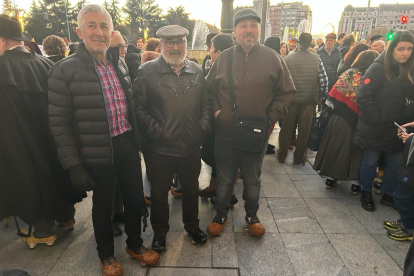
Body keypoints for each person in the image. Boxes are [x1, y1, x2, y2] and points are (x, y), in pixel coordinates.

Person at [48, 5, 160, 275]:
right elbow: (59, 124)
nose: (99, 32)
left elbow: (129, 105)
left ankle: (135, 244)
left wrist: (140, 139)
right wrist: (73, 166)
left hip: (126, 145)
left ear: (111, 32)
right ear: (79, 31)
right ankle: (106, 255)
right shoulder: (64, 71)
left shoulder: (117, 62)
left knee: (134, 199)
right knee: (103, 207)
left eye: (104, 26)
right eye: (91, 25)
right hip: (95, 151)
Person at [206, 8, 296, 237]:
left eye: (253, 25)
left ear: (259, 30)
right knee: (225, 178)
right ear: (234, 31)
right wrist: (218, 111)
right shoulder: (224, 57)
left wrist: (270, 118)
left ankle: (252, 215)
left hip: (257, 132)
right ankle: (221, 213)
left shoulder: (272, 58)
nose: (249, 30)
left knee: (253, 179)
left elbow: (287, 92)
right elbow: (208, 91)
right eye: (243, 26)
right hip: (225, 132)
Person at [0, 14, 83, 249]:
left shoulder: (2, 68)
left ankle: (43, 230)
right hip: (54, 136)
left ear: (2, 40)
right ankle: (66, 217)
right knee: (57, 169)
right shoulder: (45, 63)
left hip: (20, 139)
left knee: (30, 175)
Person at [134, 25, 211, 252]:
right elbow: (137, 106)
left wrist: (203, 127)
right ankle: (160, 233)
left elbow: (206, 102)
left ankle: (192, 226)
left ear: (186, 44)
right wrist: (157, 131)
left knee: (191, 188)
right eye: (170, 42)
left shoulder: (196, 70)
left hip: (190, 146)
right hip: (160, 149)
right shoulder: (147, 72)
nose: (175, 47)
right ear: (161, 45)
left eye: (180, 42)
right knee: (159, 194)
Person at [354, 30, 414, 212]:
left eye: (409, 49)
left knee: (396, 162)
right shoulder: (379, 66)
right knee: (370, 161)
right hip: (376, 126)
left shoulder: (410, 69)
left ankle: (388, 193)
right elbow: (363, 95)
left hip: (399, 128)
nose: (405, 53)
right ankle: (366, 192)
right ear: (392, 49)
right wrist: (377, 119)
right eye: (400, 49)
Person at [314, 50, 379, 191]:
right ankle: (356, 183)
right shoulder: (372, 77)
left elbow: (332, 96)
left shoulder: (348, 73)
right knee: (357, 153)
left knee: (336, 148)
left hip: (339, 119)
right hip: (362, 121)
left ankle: (331, 179)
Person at [278, 33, 328, 165]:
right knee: (304, 131)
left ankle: (282, 155)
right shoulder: (317, 59)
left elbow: (281, 80)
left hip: (291, 99)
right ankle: (299, 157)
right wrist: (320, 96)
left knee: (286, 129)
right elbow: (324, 81)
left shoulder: (288, 58)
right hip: (309, 100)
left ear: (298, 44)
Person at [199, 33, 236, 203]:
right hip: (225, 121)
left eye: (211, 49)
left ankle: (227, 195)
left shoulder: (222, 69)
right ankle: (215, 187)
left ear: (219, 52)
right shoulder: (233, 66)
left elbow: (208, 90)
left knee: (219, 156)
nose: (209, 52)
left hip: (220, 121)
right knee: (220, 156)